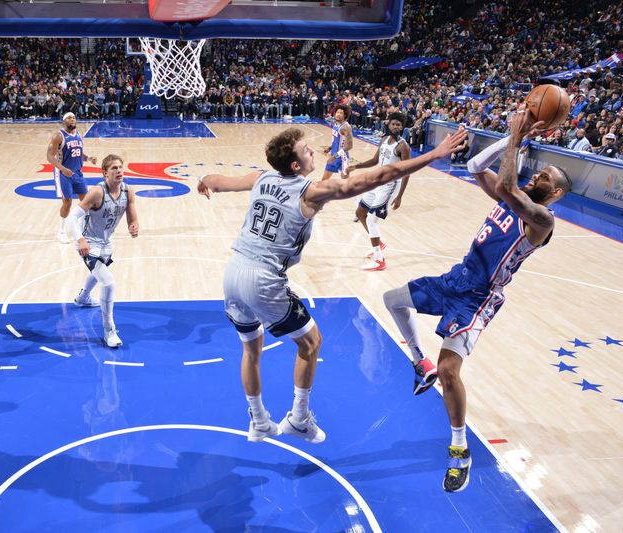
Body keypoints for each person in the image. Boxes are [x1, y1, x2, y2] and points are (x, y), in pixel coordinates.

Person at [198, 126, 468, 444]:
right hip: (263, 279)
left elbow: (220, 181)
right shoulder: (309, 192)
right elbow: (383, 175)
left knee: (251, 351)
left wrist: (205, 182)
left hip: (233, 274)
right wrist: (433, 155)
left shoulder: (260, 178)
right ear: (295, 165)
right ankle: (298, 418)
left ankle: (258, 422)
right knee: (311, 343)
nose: (313, 151)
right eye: (306, 149)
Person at [383, 110, 572, 493]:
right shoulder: (512, 195)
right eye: (538, 172)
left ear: (554, 194)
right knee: (392, 299)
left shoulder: (541, 220)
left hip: (479, 297)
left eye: (545, 179)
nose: (536, 176)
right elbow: (473, 165)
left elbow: (505, 185)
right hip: (457, 277)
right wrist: (509, 137)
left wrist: (517, 137)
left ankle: (459, 450)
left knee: (450, 371)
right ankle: (421, 362)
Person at [66, 154, 139, 348]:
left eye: (121, 167)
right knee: (108, 283)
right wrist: (80, 239)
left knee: (98, 272)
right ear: (105, 173)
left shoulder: (128, 191)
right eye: (114, 168)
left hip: (106, 243)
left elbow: (133, 218)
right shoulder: (97, 192)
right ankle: (109, 331)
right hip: (88, 243)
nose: (119, 171)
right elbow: (71, 219)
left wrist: (134, 226)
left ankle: (83, 298)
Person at [347, 111, 411, 271]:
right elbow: (375, 161)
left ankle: (379, 260)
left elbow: (407, 172)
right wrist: (356, 166)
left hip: (390, 186)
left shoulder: (403, 146)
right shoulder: (383, 140)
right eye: (394, 124)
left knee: (371, 219)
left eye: (399, 124)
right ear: (388, 124)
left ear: (402, 127)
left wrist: (400, 197)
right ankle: (379, 244)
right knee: (360, 213)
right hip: (377, 181)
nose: (396, 126)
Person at [47, 112, 97, 243]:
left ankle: (81, 229)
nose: (72, 119)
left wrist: (89, 158)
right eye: (69, 118)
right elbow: (49, 156)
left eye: (74, 117)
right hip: (63, 173)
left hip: (77, 173)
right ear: (64, 121)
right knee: (67, 202)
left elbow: (79, 153)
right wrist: (63, 169)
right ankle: (61, 232)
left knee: (86, 202)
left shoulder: (79, 135)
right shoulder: (58, 136)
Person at [321, 104, 353, 180]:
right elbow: (336, 141)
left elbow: (349, 145)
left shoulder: (346, 127)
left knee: (345, 182)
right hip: (333, 155)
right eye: (337, 112)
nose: (338, 114)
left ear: (345, 115)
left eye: (341, 113)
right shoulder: (335, 124)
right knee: (324, 180)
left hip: (342, 158)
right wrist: (329, 148)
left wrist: (335, 156)